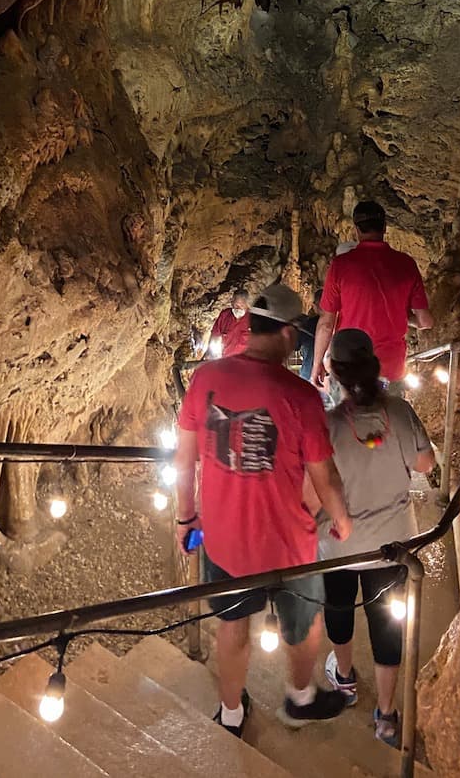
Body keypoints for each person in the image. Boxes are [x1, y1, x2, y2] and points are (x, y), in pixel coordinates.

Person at [174, 283, 353, 737]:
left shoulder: (205, 379)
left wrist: (185, 517)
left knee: (232, 626)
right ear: (290, 333)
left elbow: (184, 456)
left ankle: (231, 713)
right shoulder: (301, 397)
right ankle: (300, 698)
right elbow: (324, 476)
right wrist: (343, 520)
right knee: (304, 624)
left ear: (250, 325)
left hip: (223, 538)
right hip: (288, 544)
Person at [310, 328, 434, 747]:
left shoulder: (326, 426)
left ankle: (344, 680)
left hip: (340, 548)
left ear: (334, 374)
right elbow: (426, 464)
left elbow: (312, 494)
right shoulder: (399, 413)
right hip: (394, 546)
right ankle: (386, 714)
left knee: (340, 611)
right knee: (386, 627)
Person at [312, 201, 431, 395]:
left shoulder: (341, 265)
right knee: (387, 420)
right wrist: (402, 315)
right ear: (384, 227)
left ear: (356, 229)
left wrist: (317, 363)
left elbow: (326, 323)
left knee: (348, 420)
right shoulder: (406, 264)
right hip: (391, 368)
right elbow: (425, 321)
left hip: (349, 365)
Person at [204, 288, 251, 358]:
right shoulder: (225, 315)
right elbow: (215, 334)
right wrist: (210, 353)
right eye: (236, 305)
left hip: (244, 362)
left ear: (247, 304)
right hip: (226, 359)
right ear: (232, 303)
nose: (238, 309)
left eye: (241, 306)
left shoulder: (252, 319)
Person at [295, 289, 324, 382]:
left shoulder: (308, 324)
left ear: (316, 305)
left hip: (309, 373)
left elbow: (295, 345)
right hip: (332, 377)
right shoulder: (340, 322)